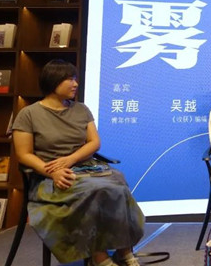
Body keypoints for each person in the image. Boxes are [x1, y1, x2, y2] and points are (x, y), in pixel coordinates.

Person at [12, 59, 145, 266]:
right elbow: (24, 154)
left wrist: (71, 159)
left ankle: (124, 250)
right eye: (69, 79)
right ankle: (99, 257)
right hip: (51, 176)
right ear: (53, 81)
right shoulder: (28, 114)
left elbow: (94, 142)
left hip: (85, 167)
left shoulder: (82, 109)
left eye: (75, 79)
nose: (75, 84)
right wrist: (52, 172)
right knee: (95, 190)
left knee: (118, 184)